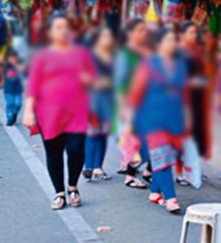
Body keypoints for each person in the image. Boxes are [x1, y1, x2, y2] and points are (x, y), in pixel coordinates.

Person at [23, 13, 96, 210]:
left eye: (65, 27)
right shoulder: (41, 57)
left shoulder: (81, 54)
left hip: (77, 111)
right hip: (49, 113)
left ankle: (73, 186)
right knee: (53, 152)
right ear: (50, 32)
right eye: (58, 28)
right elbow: (33, 86)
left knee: (76, 149)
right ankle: (59, 192)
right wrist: (29, 111)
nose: (62, 31)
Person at [128, 28, 190, 214]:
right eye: (169, 40)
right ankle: (171, 197)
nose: (173, 44)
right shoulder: (148, 65)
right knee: (161, 156)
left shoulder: (180, 65)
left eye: (174, 40)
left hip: (174, 118)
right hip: (151, 119)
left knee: (167, 156)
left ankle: (155, 191)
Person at [114, 19, 151, 189]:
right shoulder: (125, 55)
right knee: (136, 140)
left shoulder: (145, 52)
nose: (144, 33)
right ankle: (130, 174)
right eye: (140, 30)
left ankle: (147, 171)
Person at [83, 28, 115, 182]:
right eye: (105, 36)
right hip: (93, 100)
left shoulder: (114, 56)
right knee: (92, 132)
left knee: (103, 134)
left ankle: (98, 167)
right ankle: (88, 166)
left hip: (109, 100)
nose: (108, 39)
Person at [178, 21, 211, 160]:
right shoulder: (179, 52)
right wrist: (191, 82)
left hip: (197, 97)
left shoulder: (196, 50)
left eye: (195, 32)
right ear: (182, 35)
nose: (194, 36)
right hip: (184, 99)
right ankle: (180, 172)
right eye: (191, 32)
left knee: (195, 134)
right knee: (182, 134)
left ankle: (191, 168)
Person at [4, 49, 24, 126]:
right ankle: (9, 118)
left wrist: (16, 65)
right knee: (10, 103)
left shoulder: (19, 65)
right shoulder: (5, 66)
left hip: (18, 89)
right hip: (8, 89)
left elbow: (24, 71)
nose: (12, 59)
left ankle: (14, 114)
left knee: (18, 104)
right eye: (10, 58)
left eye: (14, 57)